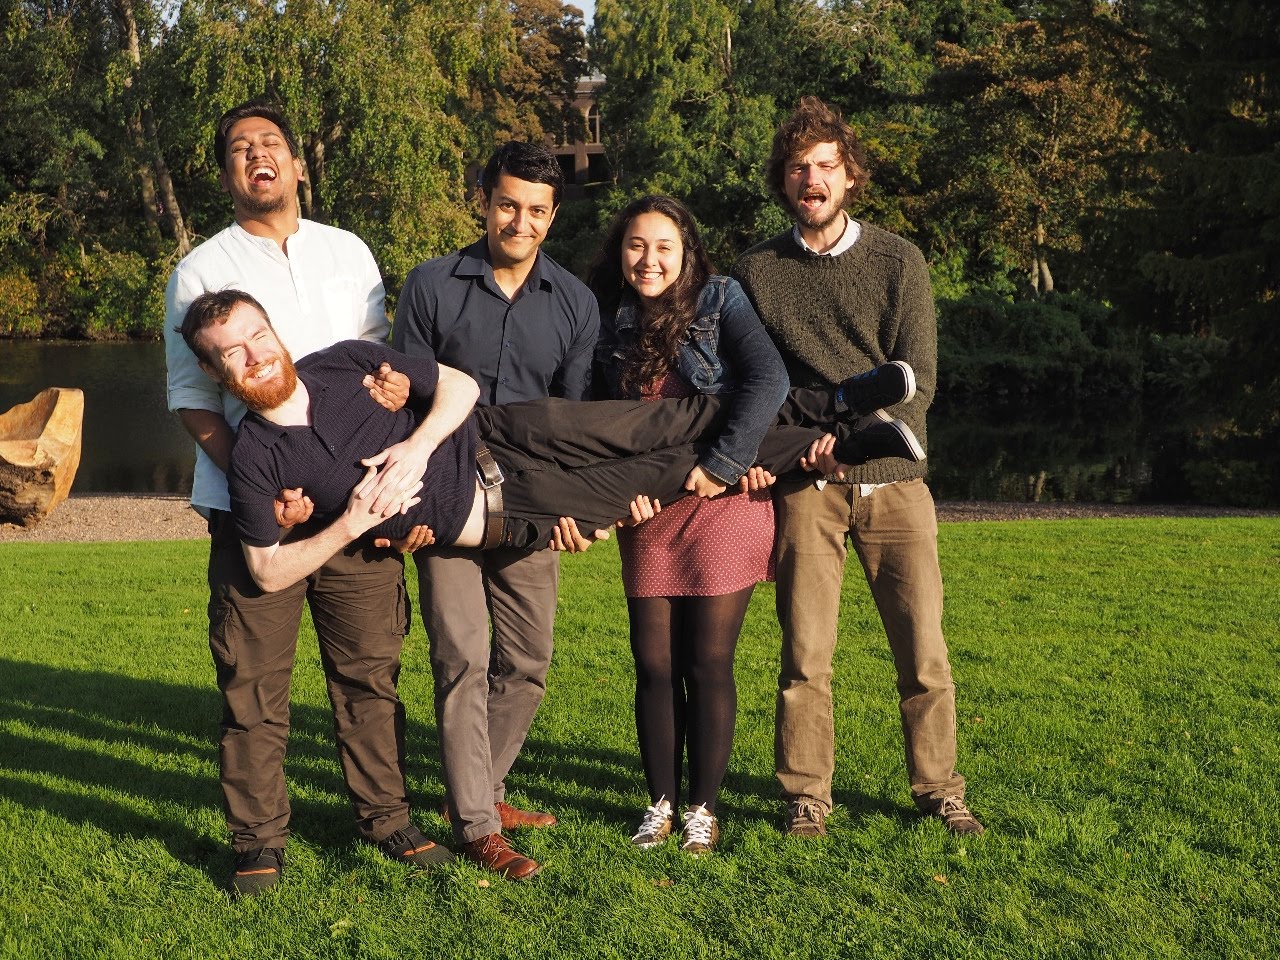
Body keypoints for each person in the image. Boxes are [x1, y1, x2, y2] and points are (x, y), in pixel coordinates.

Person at [163, 99, 459, 897]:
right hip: (259, 513)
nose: (256, 155)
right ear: (226, 174)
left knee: (369, 673)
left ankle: (388, 819)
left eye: (271, 143)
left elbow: (380, 369)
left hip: (360, 498)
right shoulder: (199, 270)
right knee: (253, 683)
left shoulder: (348, 250)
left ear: (297, 164)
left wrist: (401, 468)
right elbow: (193, 399)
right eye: (239, 148)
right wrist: (263, 488)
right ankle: (258, 840)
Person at [179, 289, 923, 587]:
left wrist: (415, 445)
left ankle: (837, 399)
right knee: (676, 470)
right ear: (216, 371)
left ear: (275, 329)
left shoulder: (342, 361)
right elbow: (266, 571)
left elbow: (459, 386)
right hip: (512, 507)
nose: (255, 355)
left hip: (503, 430)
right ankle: (845, 448)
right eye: (232, 352)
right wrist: (351, 522)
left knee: (677, 416)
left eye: (257, 335)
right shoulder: (256, 458)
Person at [731, 96, 985, 837]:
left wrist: (849, 441)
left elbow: (918, 382)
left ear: (850, 177)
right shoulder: (756, 271)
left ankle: (939, 789)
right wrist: (790, 448)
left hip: (894, 484)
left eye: (825, 166)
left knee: (924, 653)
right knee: (805, 654)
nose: (811, 180)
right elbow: (755, 384)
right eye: (797, 168)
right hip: (806, 486)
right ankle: (806, 796)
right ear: (783, 180)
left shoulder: (899, 261)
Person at [391, 142, 599, 878]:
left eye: (536, 210)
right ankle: (478, 826)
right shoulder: (431, 286)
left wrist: (575, 508)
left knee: (529, 662)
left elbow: (573, 424)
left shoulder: (575, 302)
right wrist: (410, 503)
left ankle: (481, 790)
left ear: (553, 216)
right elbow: (404, 404)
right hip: (448, 501)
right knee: (462, 660)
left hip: (531, 505)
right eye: (508, 204)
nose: (520, 221)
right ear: (484, 202)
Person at [586, 195, 788, 855]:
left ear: (687, 252)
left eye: (663, 247)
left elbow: (768, 379)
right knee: (652, 662)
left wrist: (727, 465)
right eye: (636, 245)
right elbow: (595, 418)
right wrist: (620, 496)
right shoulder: (606, 315)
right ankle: (661, 805)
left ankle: (703, 808)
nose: (649, 260)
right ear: (620, 251)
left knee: (706, 660)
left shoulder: (720, 299)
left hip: (722, 504)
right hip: (650, 511)